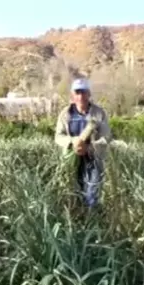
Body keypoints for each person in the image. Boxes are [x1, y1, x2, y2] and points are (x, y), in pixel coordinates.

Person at [54, 78, 112, 208]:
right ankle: (76, 219)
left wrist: (90, 147)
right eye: (77, 92)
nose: (81, 96)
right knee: (73, 190)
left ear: (89, 94)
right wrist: (72, 142)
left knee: (92, 191)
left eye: (84, 92)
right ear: (72, 95)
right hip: (71, 158)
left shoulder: (98, 113)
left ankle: (91, 220)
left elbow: (106, 136)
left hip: (93, 158)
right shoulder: (65, 114)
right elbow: (58, 136)